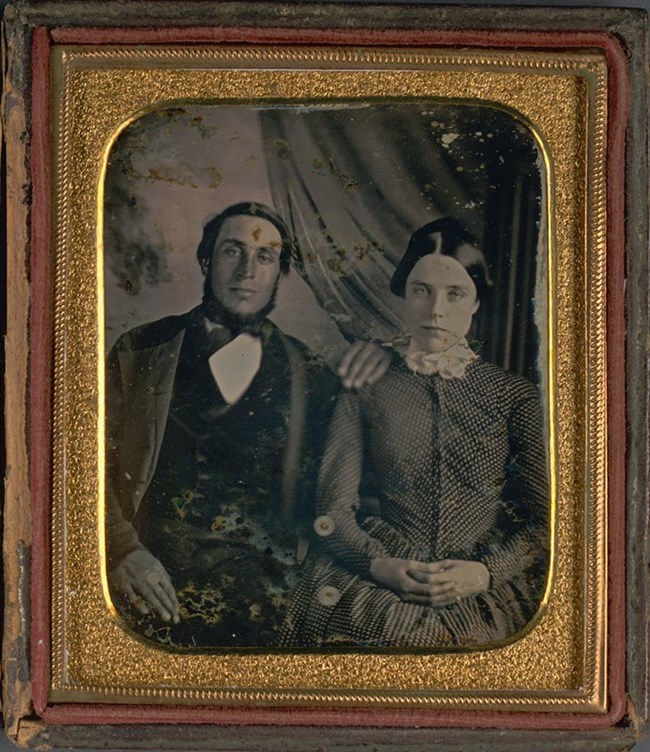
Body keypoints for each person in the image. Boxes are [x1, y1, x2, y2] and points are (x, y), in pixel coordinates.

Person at [106, 202, 389, 648]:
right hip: (151, 579)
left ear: (281, 272)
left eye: (265, 257)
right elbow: (82, 464)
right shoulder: (141, 349)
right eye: (232, 252)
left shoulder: (313, 374)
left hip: (267, 595)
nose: (247, 271)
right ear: (205, 260)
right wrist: (121, 550)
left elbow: (341, 493)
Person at [282, 217, 549, 648]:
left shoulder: (512, 396)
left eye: (455, 294)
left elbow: (546, 522)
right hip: (379, 578)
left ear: (476, 302)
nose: (435, 311)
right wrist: (377, 564)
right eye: (421, 291)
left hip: (481, 583)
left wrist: (485, 574)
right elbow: (332, 509)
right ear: (405, 296)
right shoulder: (367, 386)